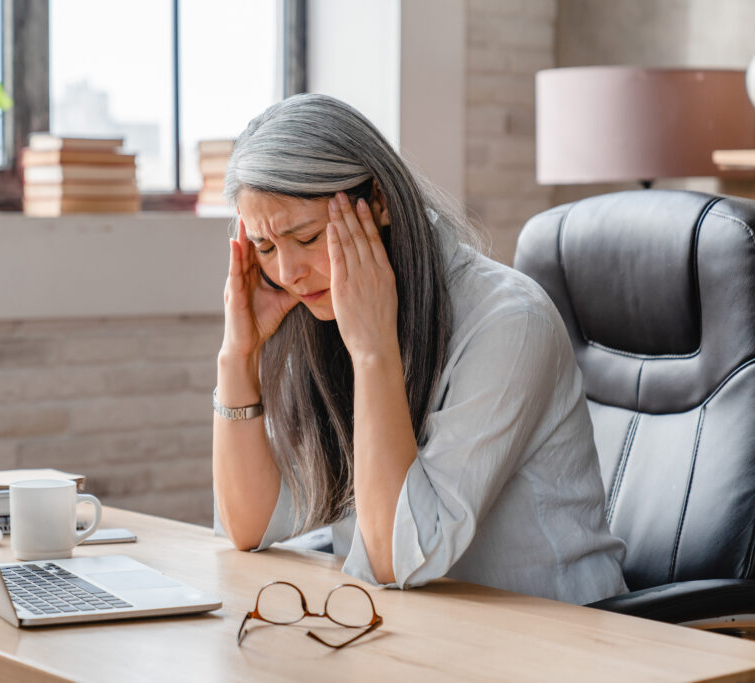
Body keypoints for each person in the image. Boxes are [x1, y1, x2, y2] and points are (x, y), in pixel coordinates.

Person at [212, 93, 626, 604]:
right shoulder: (318, 306)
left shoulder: (509, 323)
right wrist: (239, 355)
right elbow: (248, 525)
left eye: (307, 236)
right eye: (266, 247)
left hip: (562, 640)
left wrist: (372, 352)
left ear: (379, 202)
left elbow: (397, 557)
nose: (288, 274)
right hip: (419, 632)